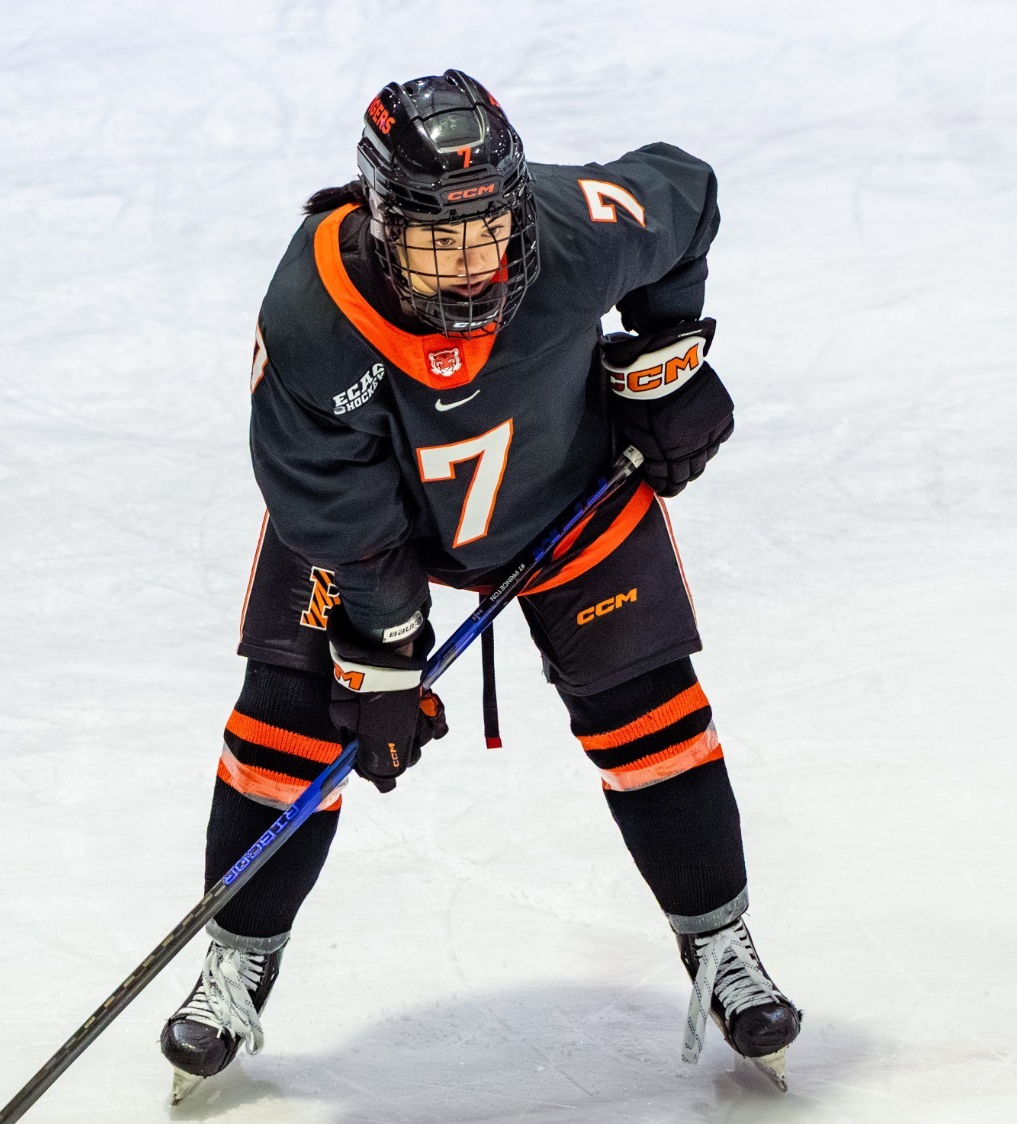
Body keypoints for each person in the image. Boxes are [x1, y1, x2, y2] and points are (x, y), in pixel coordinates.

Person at [159, 70, 799, 1100]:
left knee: (650, 709)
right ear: (379, 223)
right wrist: (381, 655)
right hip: (375, 535)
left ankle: (721, 945)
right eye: (436, 239)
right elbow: (332, 514)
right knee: (286, 714)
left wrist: (663, 359)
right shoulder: (314, 312)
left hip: (563, 497)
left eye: (487, 230)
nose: (471, 264)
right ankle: (235, 953)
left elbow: (686, 196)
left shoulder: (570, 227)